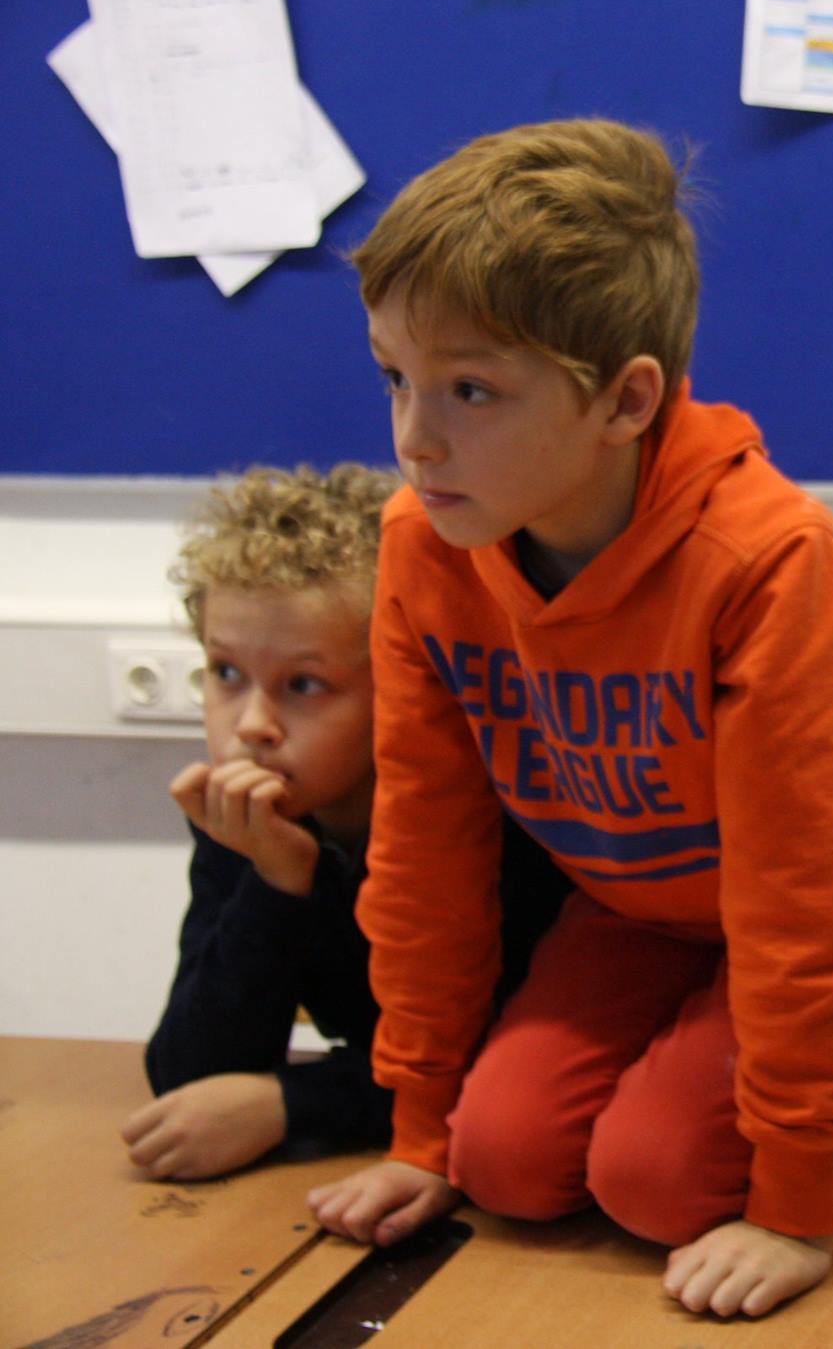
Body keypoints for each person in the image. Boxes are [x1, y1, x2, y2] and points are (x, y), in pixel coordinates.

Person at [306, 118, 833, 1319]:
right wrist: (419, 1129)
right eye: (394, 378)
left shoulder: (765, 562)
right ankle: (733, 1056)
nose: (414, 438)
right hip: (652, 904)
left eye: (470, 390)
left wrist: (793, 1202)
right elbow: (423, 853)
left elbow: (805, 896)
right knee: (501, 1162)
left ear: (625, 400)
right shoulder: (425, 548)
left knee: (659, 1182)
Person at [122, 463, 566, 1184]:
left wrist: (295, 1104)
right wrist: (277, 879)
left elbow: (493, 1064)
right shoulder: (251, 819)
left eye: (303, 685)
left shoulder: (484, 816)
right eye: (225, 673)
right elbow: (190, 1078)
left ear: (399, 682)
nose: (252, 725)